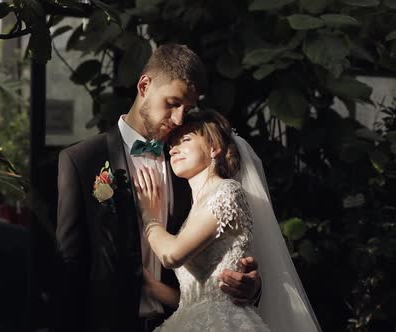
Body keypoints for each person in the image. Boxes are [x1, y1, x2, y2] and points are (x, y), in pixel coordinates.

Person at [55, 44, 261, 332]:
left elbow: (224, 246)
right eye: (172, 103)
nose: (178, 119)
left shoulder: (190, 163)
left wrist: (250, 288)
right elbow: (68, 267)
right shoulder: (82, 161)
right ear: (144, 85)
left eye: (186, 109)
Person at [134, 110, 321, 331]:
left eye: (184, 140)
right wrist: (145, 282)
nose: (173, 149)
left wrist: (149, 215)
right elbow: (195, 300)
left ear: (214, 148)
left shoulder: (227, 193)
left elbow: (172, 255)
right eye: (171, 144)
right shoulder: (193, 207)